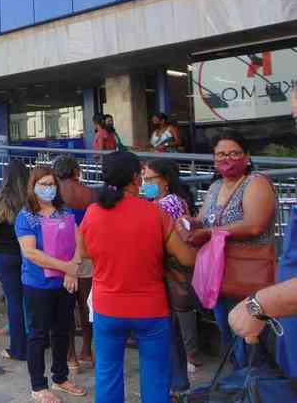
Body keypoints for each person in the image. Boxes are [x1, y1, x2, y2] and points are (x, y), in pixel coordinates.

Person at [76, 151, 196, 403]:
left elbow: (84, 252)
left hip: (107, 306)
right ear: (134, 178)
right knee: (155, 377)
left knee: (107, 375)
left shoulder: (93, 213)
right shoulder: (155, 213)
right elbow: (187, 258)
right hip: (151, 309)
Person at [188, 129, 277, 369]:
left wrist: (210, 232)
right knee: (229, 338)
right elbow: (204, 219)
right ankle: (239, 386)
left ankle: (257, 388)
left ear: (246, 156)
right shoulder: (216, 186)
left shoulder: (256, 182)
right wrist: (189, 222)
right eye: (220, 154)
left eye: (234, 153)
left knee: (251, 339)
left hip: (249, 274)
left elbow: (254, 224)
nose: (226, 159)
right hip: (220, 275)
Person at [15, 166, 87, 402]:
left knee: (62, 332)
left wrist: (73, 269)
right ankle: (38, 386)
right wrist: (66, 267)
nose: (48, 189)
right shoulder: (26, 216)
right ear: (33, 187)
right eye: (43, 184)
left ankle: (60, 377)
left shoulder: (64, 212)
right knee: (37, 334)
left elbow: (79, 241)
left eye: (51, 184)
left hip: (64, 284)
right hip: (38, 285)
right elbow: (31, 253)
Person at [142, 158, 199, 395]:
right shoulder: (166, 201)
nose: (144, 184)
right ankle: (177, 383)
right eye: (142, 179)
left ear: (164, 181)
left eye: (149, 179)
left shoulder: (167, 204)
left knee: (168, 331)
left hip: (169, 274)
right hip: (169, 273)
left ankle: (176, 384)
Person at [52, 155, 96, 370]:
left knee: (65, 308)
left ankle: (70, 356)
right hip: (87, 254)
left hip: (62, 256)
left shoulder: (52, 195)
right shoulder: (90, 193)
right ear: (77, 171)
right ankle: (87, 350)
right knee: (85, 305)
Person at [0, 160, 29, 361]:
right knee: (30, 300)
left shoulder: (2, 201)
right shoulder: (32, 200)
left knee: (14, 302)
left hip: (5, 256)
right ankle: (37, 340)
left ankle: (18, 348)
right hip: (28, 254)